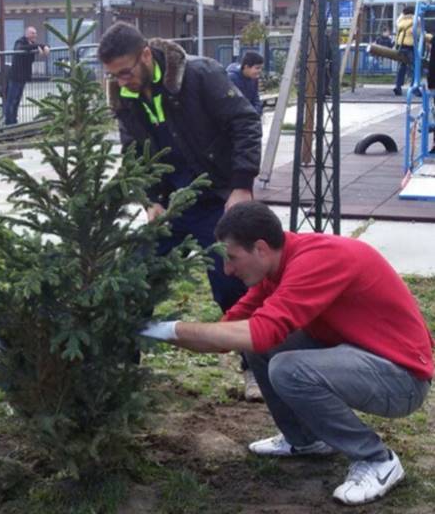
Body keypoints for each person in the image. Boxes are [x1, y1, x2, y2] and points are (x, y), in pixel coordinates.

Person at [142, 201, 433, 506]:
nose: (227, 269)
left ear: (261, 249)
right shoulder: (276, 267)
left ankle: (377, 460)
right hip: (360, 356)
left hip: (402, 378)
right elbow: (230, 332)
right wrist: (149, 330)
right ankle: (305, 440)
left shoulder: (317, 261)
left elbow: (259, 331)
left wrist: (169, 328)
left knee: (287, 368)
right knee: (259, 346)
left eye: (231, 258)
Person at [98, 23, 263, 401]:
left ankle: (256, 367)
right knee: (134, 275)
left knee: (230, 281)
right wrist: (150, 197)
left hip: (217, 198)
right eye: (113, 74)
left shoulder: (200, 75)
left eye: (125, 71)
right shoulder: (123, 94)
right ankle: (123, 368)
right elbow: (132, 152)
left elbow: (244, 121)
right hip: (170, 203)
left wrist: (241, 184)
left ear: (145, 55)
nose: (121, 81)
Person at [3, 27, 50, 125]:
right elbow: (20, 48)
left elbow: (41, 46)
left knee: (17, 100)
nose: (35, 35)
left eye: (35, 33)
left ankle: (14, 121)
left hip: (23, 77)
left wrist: (44, 46)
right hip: (15, 77)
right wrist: (39, 46)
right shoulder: (20, 42)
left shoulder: (32, 44)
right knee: (11, 100)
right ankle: (8, 122)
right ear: (27, 34)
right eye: (32, 33)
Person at [394, 6, 415, 96]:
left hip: (401, 47)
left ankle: (398, 86)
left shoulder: (400, 22)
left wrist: (402, 14)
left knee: (402, 67)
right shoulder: (415, 21)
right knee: (415, 68)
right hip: (410, 47)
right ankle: (414, 87)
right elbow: (419, 32)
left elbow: (398, 20)